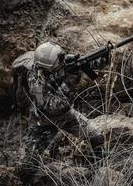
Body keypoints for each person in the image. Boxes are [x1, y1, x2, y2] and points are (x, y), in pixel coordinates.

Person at [12, 42, 101, 182]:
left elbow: (75, 67)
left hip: (67, 116)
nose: (62, 62)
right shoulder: (35, 81)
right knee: (29, 166)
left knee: (96, 136)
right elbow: (54, 106)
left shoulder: (57, 66)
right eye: (59, 61)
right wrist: (70, 80)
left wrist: (94, 62)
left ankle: (98, 170)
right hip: (43, 123)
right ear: (48, 66)